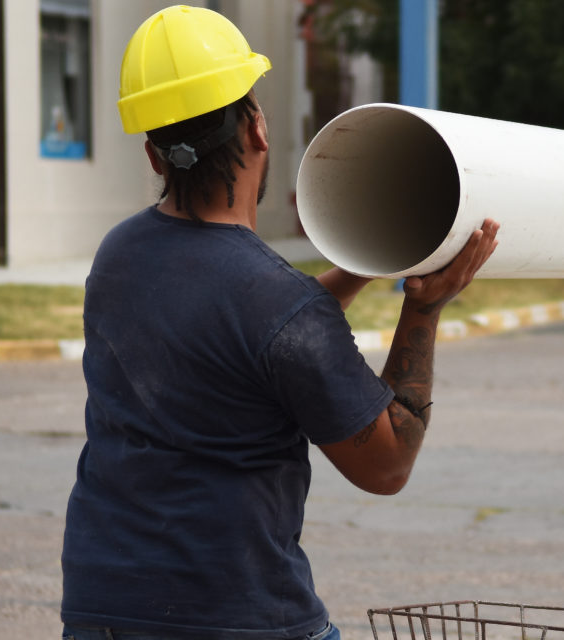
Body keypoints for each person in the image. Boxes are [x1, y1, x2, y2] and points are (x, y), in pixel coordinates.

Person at [59, 6, 498, 640]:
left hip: (101, 610)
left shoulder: (120, 256)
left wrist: (360, 261)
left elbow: (250, 334)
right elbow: (387, 465)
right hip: (236, 618)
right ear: (258, 128)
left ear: (155, 156)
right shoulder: (279, 305)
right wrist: (424, 309)